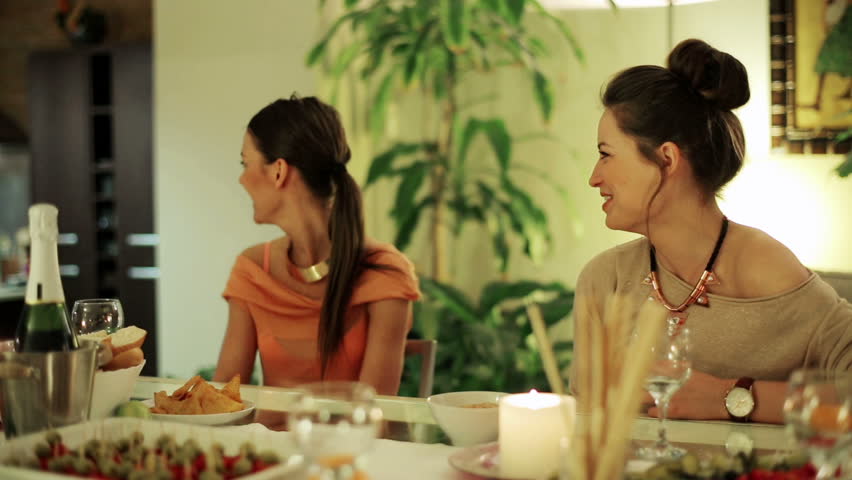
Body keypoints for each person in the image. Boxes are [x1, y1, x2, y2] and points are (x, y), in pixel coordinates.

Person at [572, 39, 852, 424]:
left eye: (606, 154)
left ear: (667, 159)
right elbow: (588, 423)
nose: (594, 177)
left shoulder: (766, 269)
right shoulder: (605, 280)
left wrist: (733, 397)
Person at [213, 95, 420, 397]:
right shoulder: (253, 271)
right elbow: (222, 401)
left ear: (279, 171)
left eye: (247, 163)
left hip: (354, 443)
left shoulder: (386, 273)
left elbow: (377, 415)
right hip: (267, 444)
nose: (242, 179)